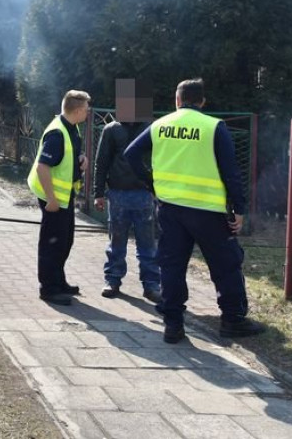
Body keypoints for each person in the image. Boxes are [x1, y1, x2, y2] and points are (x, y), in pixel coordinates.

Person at [124, 78, 265, 343]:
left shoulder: (160, 125)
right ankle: (232, 320)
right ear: (202, 101)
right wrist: (239, 208)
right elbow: (231, 172)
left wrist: (151, 183)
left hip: (170, 208)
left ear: (176, 100)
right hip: (207, 211)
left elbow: (130, 154)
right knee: (226, 265)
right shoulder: (213, 127)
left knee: (172, 266)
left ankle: (173, 324)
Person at [93, 79, 161, 303]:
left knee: (147, 243)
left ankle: (151, 285)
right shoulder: (112, 130)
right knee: (118, 241)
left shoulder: (151, 128)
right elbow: (101, 162)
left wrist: (156, 189)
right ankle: (114, 279)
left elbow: (160, 161)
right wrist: (98, 193)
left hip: (143, 194)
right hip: (119, 194)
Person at [28, 90, 90, 306]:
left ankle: (58, 281)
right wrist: (52, 200)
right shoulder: (57, 133)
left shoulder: (72, 128)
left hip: (64, 197)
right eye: (87, 108)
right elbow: (42, 167)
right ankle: (49, 288)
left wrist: (81, 159)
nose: (88, 112)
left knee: (65, 241)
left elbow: (68, 156)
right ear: (79, 110)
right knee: (52, 243)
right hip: (54, 199)